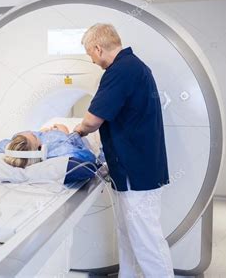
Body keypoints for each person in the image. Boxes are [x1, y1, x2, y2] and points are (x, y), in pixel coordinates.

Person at [73, 23, 174, 277]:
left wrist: (76, 132)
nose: (93, 60)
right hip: (132, 168)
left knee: (147, 241)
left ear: (98, 48)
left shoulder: (120, 71)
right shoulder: (135, 67)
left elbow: (92, 120)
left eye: (90, 54)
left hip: (135, 171)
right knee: (128, 236)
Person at [0, 123, 96, 168]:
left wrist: (41, 132)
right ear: (41, 149)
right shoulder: (63, 149)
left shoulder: (9, 148)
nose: (33, 133)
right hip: (64, 133)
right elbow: (89, 157)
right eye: (34, 136)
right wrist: (70, 133)